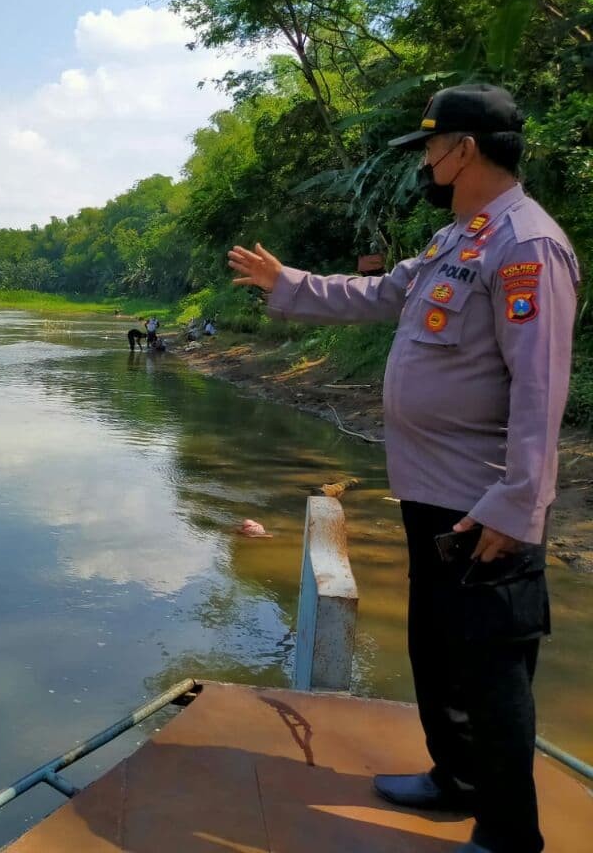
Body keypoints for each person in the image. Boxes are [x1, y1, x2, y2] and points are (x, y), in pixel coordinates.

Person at [227, 84, 578, 853]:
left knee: (492, 670)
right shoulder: (459, 238)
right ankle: (456, 781)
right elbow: (378, 292)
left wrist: (517, 505)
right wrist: (286, 284)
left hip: (485, 502)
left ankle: (509, 833)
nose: (424, 160)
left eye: (429, 147)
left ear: (463, 149)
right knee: (436, 650)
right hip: (428, 489)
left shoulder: (526, 245)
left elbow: (541, 386)